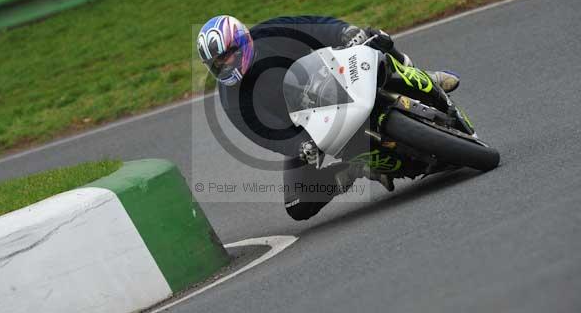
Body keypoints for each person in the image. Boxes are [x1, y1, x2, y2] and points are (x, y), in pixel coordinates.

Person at [196, 15, 459, 220]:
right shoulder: (230, 98)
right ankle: (359, 168)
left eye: (229, 54)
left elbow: (314, 25)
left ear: (242, 39)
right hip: (308, 127)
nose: (226, 64)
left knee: (375, 39)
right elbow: (262, 132)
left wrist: (345, 32)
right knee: (297, 204)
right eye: (218, 63)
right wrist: (298, 144)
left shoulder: (270, 33)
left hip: (330, 76)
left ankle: (425, 77)